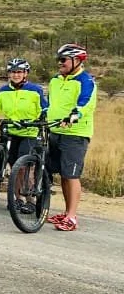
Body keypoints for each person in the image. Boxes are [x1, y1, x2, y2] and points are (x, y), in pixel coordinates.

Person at [46, 44, 95, 231]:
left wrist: (75, 115)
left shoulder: (85, 81)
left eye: (64, 60)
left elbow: (86, 103)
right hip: (55, 131)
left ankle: (72, 217)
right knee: (63, 175)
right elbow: (51, 103)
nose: (60, 63)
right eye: (59, 60)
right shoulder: (55, 80)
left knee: (71, 175)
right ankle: (66, 213)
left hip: (75, 134)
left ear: (77, 61)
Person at [0, 58, 47, 200]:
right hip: (10, 132)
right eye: (12, 72)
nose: (16, 75)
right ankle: (17, 199)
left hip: (29, 132)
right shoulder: (3, 91)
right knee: (13, 166)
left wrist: (40, 117)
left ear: (26, 73)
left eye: (19, 72)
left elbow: (45, 108)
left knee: (24, 165)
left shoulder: (35, 90)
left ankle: (30, 199)